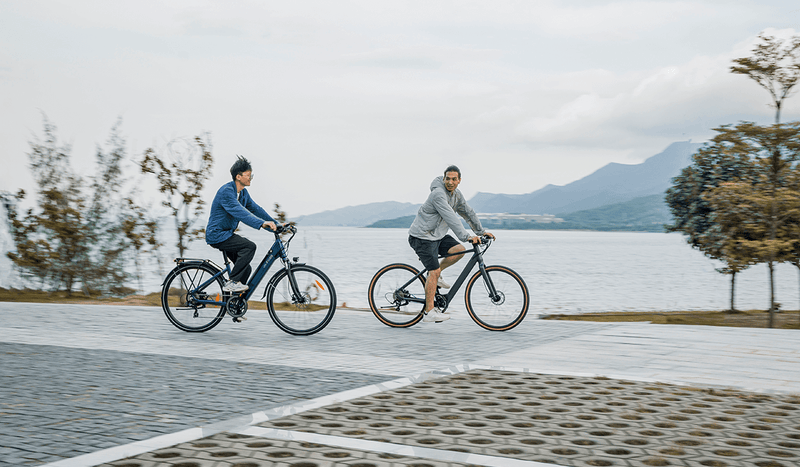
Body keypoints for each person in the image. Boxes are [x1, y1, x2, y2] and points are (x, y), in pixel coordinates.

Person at [408, 165, 495, 323]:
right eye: (447, 178)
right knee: (433, 272)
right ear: (443, 179)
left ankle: (435, 275)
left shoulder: (456, 195)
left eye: (454, 179)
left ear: (459, 180)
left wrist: (481, 232)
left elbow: (468, 212)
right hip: (421, 237)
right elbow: (450, 217)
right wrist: (467, 236)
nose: (450, 182)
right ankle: (429, 312)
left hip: (436, 235)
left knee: (459, 251)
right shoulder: (438, 195)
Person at [206, 156, 278, 293]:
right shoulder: (227, 192)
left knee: (245, 269)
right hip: (217, 235)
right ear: (238, 176)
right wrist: (262, 224)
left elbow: (256, 209)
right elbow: (242, 213)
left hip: (226, 235)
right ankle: (232, 282)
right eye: (248, 175)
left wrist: (276, 225)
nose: (251, 178)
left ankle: (234, 305)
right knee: (249, 247)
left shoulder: (243, 193)